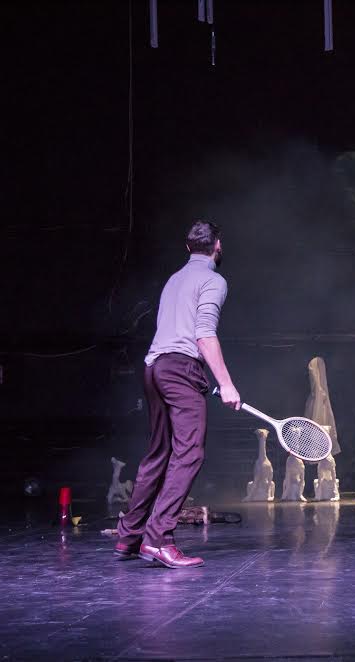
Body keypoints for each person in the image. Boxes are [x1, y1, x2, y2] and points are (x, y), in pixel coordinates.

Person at [113, 220, 242, 568]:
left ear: (188, 248)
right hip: (179, 369)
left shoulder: (174, 279)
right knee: (189, 454)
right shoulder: (213, 280)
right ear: (218, 246)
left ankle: (129, 535)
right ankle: (157, 539)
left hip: (153, 367)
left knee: (159, 453)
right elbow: (204, 334)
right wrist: (226, 383)